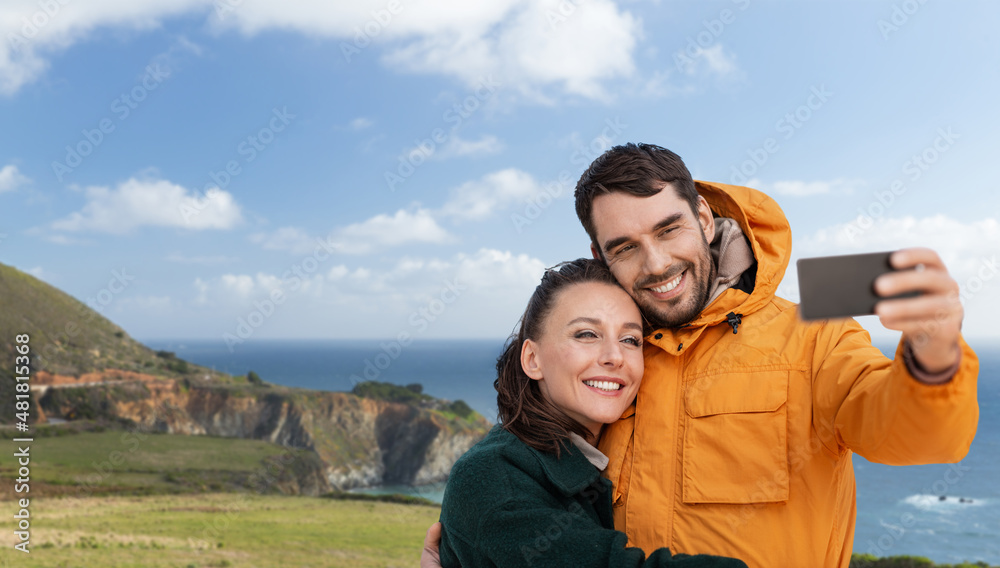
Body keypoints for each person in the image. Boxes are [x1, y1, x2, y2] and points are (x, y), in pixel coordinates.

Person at [423, 143, 979, 568]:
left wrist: (933, 357)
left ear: (705, 220)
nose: (658, 263)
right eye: (626, 247)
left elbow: (922, 436)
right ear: (600, 255)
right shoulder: (611, 361)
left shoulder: (814, 337)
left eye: (670, 229)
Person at [433, 258, 747, 568]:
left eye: (630, 339)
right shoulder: (493, 476)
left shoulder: (592, 456)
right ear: (532, 359)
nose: (614, 357)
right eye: (586, 334)